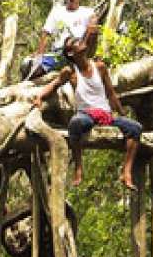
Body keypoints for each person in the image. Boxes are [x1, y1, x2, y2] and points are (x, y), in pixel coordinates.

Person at [31, 37, 142, 190]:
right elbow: (53, 85)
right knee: (75, 124)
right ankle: (78, 167)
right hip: (86, 114)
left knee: (135, 128)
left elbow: (110, 93)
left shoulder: (100, 67)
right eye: (75, 43)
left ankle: (126, 171)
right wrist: (40, 97)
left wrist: (121, 114)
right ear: (70, 53)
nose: (80, 42)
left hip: (105, 114)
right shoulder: (70, 72)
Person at [22, 0, 98, 80]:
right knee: (27, 64)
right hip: (59, 54)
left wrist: (81, 50)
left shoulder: (88, 12)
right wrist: (39, 55)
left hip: (79, 52)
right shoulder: (57, 11)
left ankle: (80, 66)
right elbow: (46, 33)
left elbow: (92, 30)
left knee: (90, 30)